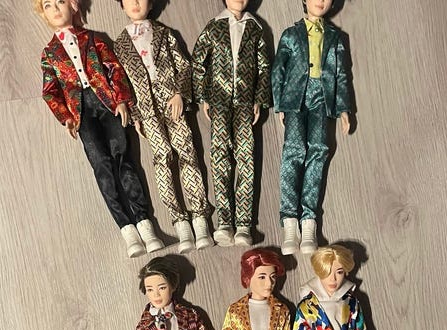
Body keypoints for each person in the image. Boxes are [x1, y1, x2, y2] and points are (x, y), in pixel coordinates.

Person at [34, 0, 163, 258]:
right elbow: (50, 91)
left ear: (73, 6)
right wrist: (65, 117)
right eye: (48, 5)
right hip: (81, 112)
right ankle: (126, 228)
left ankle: (144, 223)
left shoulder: (94, 39)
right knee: (101, 166)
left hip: (107, 103)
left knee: (124, 158)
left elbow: (114, 68)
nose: (56, 9)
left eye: (61, 2)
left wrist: (122, 99)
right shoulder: (49, 53)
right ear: (44, 14)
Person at [113, 0, 214, 253]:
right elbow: (123, 83)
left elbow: (185, 67)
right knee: (162, 159)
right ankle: (180, 221)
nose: (136, 3)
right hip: (146, 109)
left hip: (172, 103)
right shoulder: (120, 44)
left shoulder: (165, 34)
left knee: (188, 154)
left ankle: (200, 218)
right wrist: (136, 114)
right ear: (122, 5)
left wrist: (180, 93)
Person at [272, 0, 351, 255]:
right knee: (293, 151)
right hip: (295, 98)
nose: (320, 1)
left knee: (318, 151)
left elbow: (341, 74)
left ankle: (308, 222)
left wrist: (343, 109)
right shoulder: (290, 34)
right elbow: (278, 70)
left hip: (322, 98)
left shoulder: (335, 38)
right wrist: (279, 104)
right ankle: (289, 222)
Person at [192, 0, 271, 247]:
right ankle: (225, 221)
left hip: (246, 102)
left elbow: (264, 67)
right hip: (219, 100)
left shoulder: (255, 28)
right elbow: (198, 62)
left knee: (246, 158)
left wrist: (259, 99)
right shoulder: (214, 27)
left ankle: (244, 224)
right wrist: (203, 96)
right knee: (219, 158)